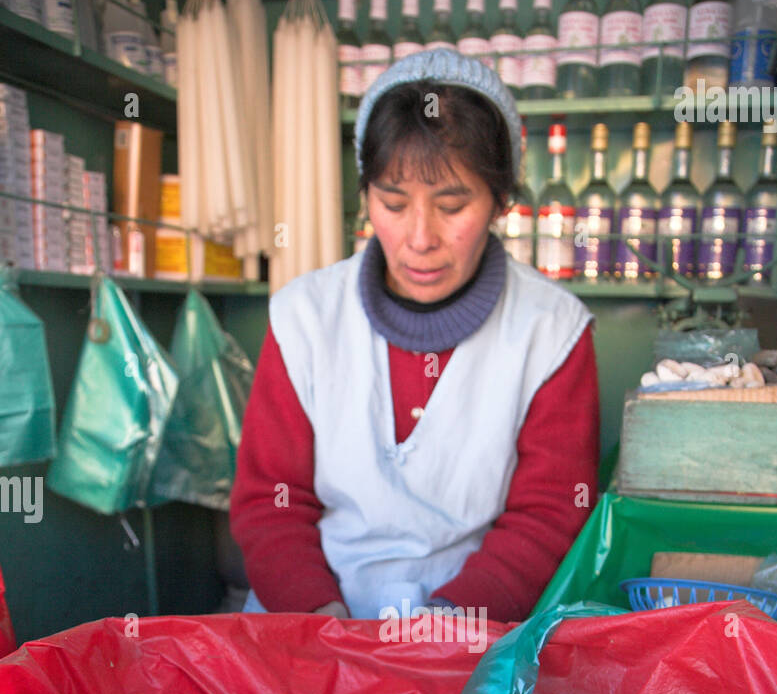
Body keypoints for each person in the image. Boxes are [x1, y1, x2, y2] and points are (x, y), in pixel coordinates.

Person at [230, 49, 599, 623]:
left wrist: (443, 632)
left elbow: (550, 513)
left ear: (500, 201)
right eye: (393, 203)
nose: (420, 238)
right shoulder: (304, 317)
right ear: (367, 197)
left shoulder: (552, 331)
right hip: (310, 617)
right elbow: (271, 504)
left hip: (472, 623)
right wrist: (322, 622)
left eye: (453, 205)